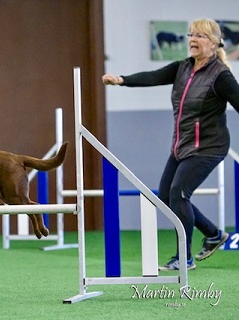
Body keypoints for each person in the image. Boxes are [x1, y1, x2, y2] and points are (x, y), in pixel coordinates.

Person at [102, 18, 239, 270]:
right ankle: (213, 234)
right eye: (191, 35)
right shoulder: (183, 67)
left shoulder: (221, 76)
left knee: (178, 193)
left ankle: (183, 258)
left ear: (214, 43)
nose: (193, 40)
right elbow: (153, 76)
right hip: (182, 145)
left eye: (200, 36)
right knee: (166, 196)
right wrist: (121, 80)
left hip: (209, 147)